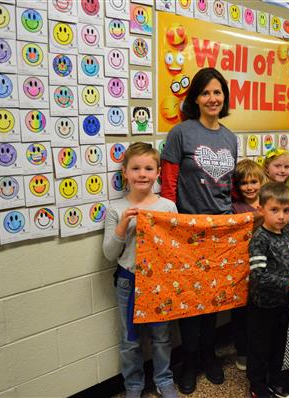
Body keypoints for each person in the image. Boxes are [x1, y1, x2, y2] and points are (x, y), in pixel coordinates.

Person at [160, 67, 237, 394]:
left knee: (215, 299)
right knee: (189, 300)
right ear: (195, 98)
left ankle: (209, 355)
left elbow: (230, 190)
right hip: (188, 231)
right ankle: (189, 360)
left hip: (221, 232)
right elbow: (168, 187)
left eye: (217, 92)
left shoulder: (231, 138)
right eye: (205, 92)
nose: (212, 98)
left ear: (225, 97)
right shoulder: (181, 134)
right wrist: (172, 225)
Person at [103, 143, 179, 398]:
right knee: (130, 340)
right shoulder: (115, 209)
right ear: (125, 172)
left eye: (148, 168)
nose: (142, 174)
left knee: (161, 336)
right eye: (135, 168)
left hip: (159, 281)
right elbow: (109, 254)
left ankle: (164, 379)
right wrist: (123, 227)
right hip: (128, 280)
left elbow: (175, 248)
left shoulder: (167, 207)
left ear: (158, 172)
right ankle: (133, 385)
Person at [247, 182, 289, 398]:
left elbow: (286, 260)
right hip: (263, 304)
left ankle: (279, 381)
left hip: (284, 303)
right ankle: (257, 385)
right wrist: (287, 282)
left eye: (286, 210)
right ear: (261, 209)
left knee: (281, 343)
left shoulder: (287, 233)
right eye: (274, 210)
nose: (281, 216)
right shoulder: (259, 240)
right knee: (260, 347)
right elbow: (258, 276)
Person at [230, 159, 267, 371]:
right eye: (244, 183)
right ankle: (242, 350)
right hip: (242, 266)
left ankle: (259, 348)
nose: (250, 187)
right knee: (242, 312)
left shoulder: (268, 201)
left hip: (267, 264)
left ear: (262, 181)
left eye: (254, 181)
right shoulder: (234, 208)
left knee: (261, 310)